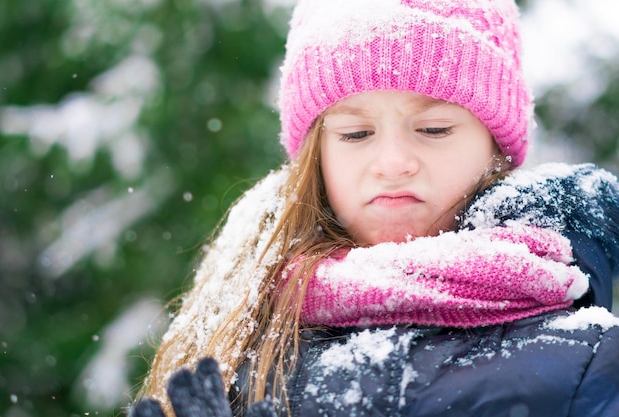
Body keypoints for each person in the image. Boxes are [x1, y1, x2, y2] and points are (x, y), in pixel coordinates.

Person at [129, 1, 619, 416]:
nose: (392, 163)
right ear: (316, 155)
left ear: (496, 146)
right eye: (356, 134)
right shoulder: (243, 326)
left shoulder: (590, 358)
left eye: (433, 129)